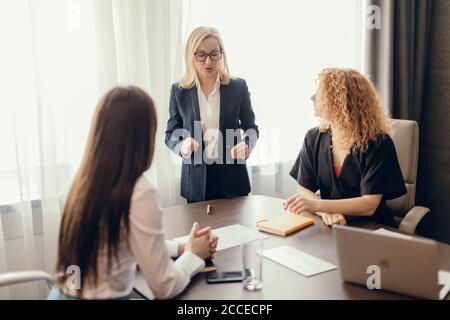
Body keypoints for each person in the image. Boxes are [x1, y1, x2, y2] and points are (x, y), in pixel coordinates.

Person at [48, 86, 218, 300]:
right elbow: (164, 287)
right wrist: (194, 254)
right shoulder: (138, 191)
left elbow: (120, 241)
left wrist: (182, 247)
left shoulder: (85, 179)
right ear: (143, 136)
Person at [284, 68, 407, 227]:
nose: (312, 98)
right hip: (330, 224)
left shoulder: (379, 143)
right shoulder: (313, 137)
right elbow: (303, 189)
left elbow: (369, 204)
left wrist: (318, 205)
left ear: (340, 100)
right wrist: (327, 212)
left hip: (371, 228)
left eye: (320, 94)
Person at [165, 26, 259, 203]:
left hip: (233, 179)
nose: (208, 62)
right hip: (196, 183)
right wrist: (182, 146)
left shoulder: (238, 87)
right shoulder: (179, 91)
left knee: (237, 230)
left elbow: (251, 128)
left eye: (214, 54)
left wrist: (247, 145)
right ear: (190, 56)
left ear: (221, 54)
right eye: (201, 55)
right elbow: (170, 134)